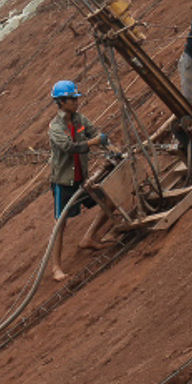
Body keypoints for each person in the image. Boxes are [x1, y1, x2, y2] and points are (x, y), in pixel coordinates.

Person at [47, 80, 114, 282]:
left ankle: (89, 237)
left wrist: (111, 148)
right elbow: (70, 147)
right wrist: (94, 142)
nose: (76, 102)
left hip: (81, 179)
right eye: (72, 99)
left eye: (76, 98)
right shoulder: (55, 127)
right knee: (61, 224)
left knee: (110, 200)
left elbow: (95, 133)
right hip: (64, 183)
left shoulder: (80, 120)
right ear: (61, 101)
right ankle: (56, 268)